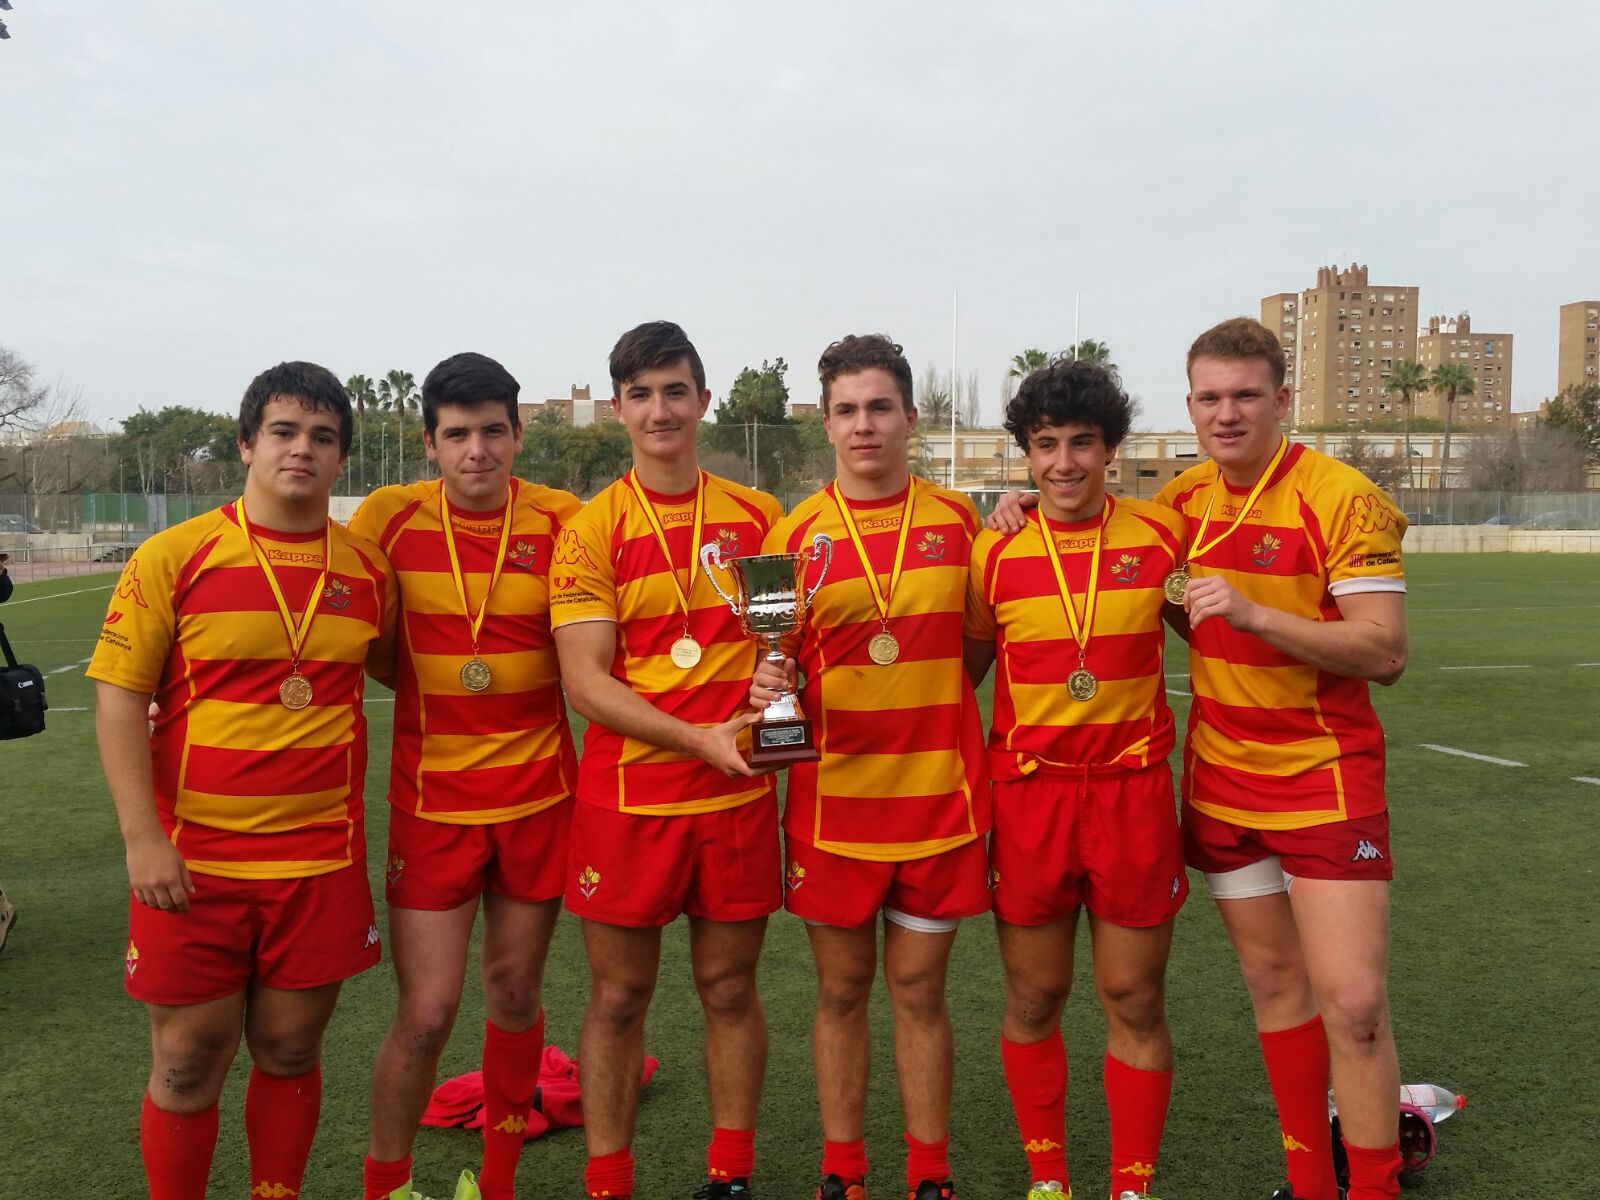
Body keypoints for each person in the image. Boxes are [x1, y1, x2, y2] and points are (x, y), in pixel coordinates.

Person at [88, 362, 396, 1200]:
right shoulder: (174, 555)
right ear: (246, 444)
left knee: (291, 1051)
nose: (303, 449)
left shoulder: (368, 571)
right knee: (187, 1061)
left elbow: (401, 670)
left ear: (342, 459)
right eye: (284, 431)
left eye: (323, 437)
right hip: (193, 865)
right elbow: (119, 700)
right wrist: (142, 839)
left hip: (318, 864)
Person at [1157, 318, 1408, 1200]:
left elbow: (1384, 651)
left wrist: (1257, 614)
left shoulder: (1341, 497)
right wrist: (1018, 506)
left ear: (1282, 399)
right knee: (1274, 987)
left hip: (1325, 782)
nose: (1226, 414)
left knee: (1355, 1007)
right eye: (1210, 398)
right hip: (1224, 781)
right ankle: (1310, 1185)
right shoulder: (1179, 502)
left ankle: (1372, 1189)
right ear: (1191, 406)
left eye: (1245, 395)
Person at [750, 334, 989, 1200]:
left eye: (880, 407)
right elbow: (775, 665)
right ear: (825, 423)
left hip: (938, 804)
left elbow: (974, 650)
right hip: (834, 808)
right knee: (843, 990)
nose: (864, 426)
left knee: (920, 992)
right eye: (847, 411)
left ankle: (930, 1176)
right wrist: (767, 682)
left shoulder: (961, 522)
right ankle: (842, 1174)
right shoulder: (790, 537)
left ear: (910, 418)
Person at [550, 320, 783, 1200]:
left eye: (674, 391)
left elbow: (783, 644)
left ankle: (731, 1177)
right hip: (629, 803)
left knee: (729, 990)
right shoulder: (590, 530)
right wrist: (697, 739)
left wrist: (778, 674)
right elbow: (585, 682)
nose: (659, 410)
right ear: (618, 408)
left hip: (734, 800)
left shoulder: (758, 517)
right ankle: (609, 1181)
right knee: (618, 999)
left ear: (703, 401)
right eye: (640, 394)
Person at [351, 353, 582, 1200]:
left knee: (515, 994)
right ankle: (387, 1187)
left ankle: (497, 1183)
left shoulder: (564, 519)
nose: (476, 450)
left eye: (492, 431)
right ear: (429, 443)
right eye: (456, 435)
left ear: (518, 434)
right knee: (426, 1015)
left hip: (539, 800)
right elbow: (362, 640)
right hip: (432, 805)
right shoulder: (386, 518)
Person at [965, 359, 1188, 1200]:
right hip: (1033, 794)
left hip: (1132, 792)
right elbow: (961, 673)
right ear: (1025, 453)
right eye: (1046, 444)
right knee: (1035, 996)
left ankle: (1131, 1186)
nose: (1064, 464)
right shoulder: (995, 550)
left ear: (1111, 448)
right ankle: (1048, 1181)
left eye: (1082, 443)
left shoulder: (1161, 536)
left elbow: (1214, 634)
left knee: (1134, 996)